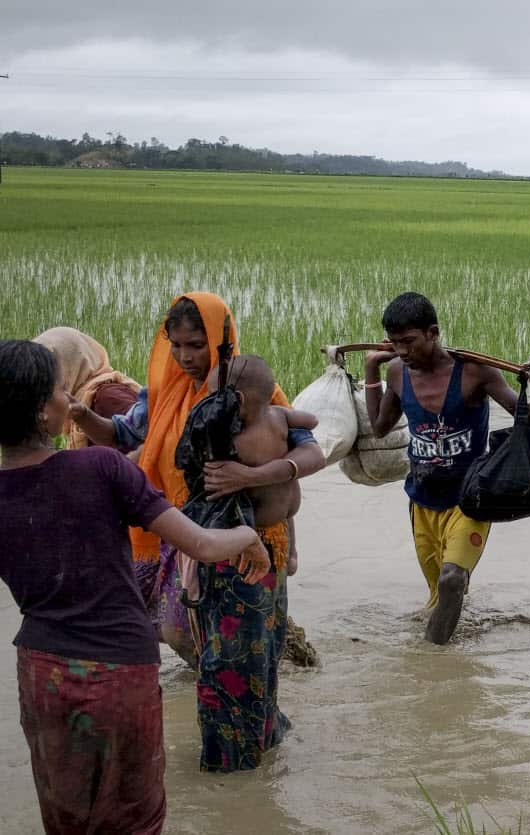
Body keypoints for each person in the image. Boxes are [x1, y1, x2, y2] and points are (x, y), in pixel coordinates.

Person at [0, 339, 271, 834]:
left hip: (41, 674)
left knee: (66, 819)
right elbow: (204, 545)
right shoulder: (101, 467)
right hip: (118, 671)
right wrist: (250, 536)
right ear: (42, 410)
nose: (71, 401)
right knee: (134, 819)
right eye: (62, 391)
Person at [69, 292, 323, 771]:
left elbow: (309, 454)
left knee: (256, 652)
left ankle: (254, 746)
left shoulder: (252, 392)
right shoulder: (161, 394)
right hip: (190, 538)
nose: (186, 357)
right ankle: (245, 748)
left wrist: (250, 476)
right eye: (178, 345)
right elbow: (123, 434)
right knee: (216, 650)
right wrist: (83, 417)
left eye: (197, 345)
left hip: (258, 542)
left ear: (222, 341)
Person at [364, 292, 530, 645]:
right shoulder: (398, 373)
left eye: (409, 341)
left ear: (433, 333)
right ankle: (456, 635)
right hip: (421, 500)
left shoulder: (475, 372)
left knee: (451, 579)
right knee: (439, 591)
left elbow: (527, 421)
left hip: (470, 499)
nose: (402, 351)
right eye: (395, 343)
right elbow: (379, 427)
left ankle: (430, 664)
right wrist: (372, 368)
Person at [205, 355, 318, 575]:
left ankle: (291, 554)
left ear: (237, 400)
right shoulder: (280, 415)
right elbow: (312, 420)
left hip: (278, 534)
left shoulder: (233, 437)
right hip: (249, 542)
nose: (210, 404)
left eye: (213, 397)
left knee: (267, 605)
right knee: (256, 603)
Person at [32, 327, 140, 449]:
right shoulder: (79, 400)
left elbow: (145, 443)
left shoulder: (107, 398)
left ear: (68, 365)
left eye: (47, 370)